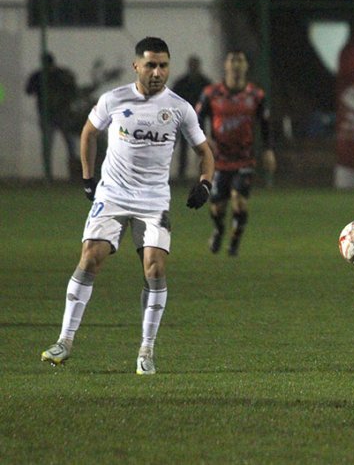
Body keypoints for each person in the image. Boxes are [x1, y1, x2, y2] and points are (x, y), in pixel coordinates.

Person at [40, 37, 215, 374]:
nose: (157, 72)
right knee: (90, 257)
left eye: (163, 65)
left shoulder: (179, 108)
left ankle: (146, 351)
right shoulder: (114, 99)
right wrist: (89, 179)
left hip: (153, 201)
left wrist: (205, 184)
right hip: (113, 194)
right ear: (137, 65)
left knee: (155, 268)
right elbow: (89, 133)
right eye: (150, 65)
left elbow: (205, 152)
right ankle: (64, 341)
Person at [196, 50, 275, 256]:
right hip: (219, 159)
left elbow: (265, 125)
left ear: (246, 66)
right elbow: (194, 120)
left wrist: (268, 150)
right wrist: (204, 140)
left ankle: (234, 242)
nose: (236, 64)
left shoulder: (256, 95)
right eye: (232, 60)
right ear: (226, 65)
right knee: (217, 208)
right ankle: (219, 230)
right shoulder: (210, 93)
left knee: (239, 200)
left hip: (244, 159)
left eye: (241, 60)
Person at [25, 53, 80, 180]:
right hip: (49, 115)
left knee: (69, 145)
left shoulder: (60, 75)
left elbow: (72, 90)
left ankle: (73, 174)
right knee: (51, 145)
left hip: (62, 115)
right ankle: (48, 175)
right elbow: (29, 90)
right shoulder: (39, 76)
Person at [171, 55, 212, 180]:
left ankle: (202, 173)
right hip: (183, 121)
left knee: (201, 149)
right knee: (183, 148)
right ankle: (182, 175)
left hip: (200, 121)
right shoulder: (182, 83)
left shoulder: (205, 83)